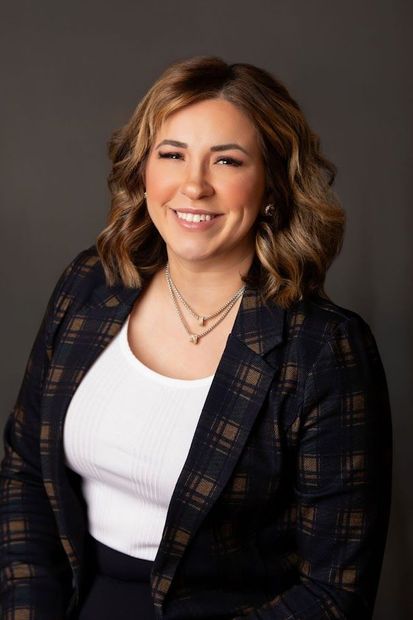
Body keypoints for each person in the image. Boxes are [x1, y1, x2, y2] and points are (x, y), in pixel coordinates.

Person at [0, 55, 392, 620]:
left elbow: (334, 593)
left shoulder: (321, 350)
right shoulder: (92, 284)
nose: (194, 185)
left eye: (227, 161)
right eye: (172, 154)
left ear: (274, 186)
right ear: (144, 170)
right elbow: (26, 472)